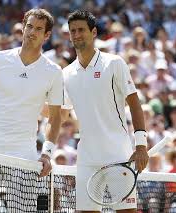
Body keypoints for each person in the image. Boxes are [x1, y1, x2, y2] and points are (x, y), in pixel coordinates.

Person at [0, 8, 63, 212]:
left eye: (38, 29)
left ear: (46, 35)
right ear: (23, 27)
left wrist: (47, 154)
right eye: (29, 26)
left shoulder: (54, 72)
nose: (31, 32)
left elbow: (54, 117)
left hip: (24, 154)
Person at [62, 10, 149, 213]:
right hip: (86, 157)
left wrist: (141, 145)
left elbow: (135, 104)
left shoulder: (114, 63)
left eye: (81, 30)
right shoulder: (65, 74)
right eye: (72, 31)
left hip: (119, 154)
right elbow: (60, 115)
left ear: (93, 32)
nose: (76, 35)